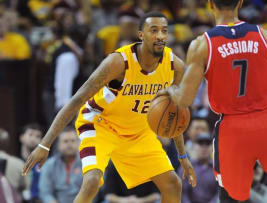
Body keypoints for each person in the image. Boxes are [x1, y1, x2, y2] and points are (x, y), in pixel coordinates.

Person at [22, 12, 196, 203]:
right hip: (100, 125)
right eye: (153, 30)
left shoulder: (175, 66)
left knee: (173, 184)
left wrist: (182, 155)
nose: (160, 36)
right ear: (141, 35)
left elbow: (174, 115)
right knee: (92, 182)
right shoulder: (119, 62)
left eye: (164, 31)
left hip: (137, 131)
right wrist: (44, 144)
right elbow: (76, 100)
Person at [159, 0, 267, 202]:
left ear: (210, 4)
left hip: (233, 128)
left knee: (232, 195)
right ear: (240, 3)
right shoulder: (265, 36)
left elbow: (185, 100)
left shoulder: (202, 45)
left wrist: (170, 89)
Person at [38, 127, 82, 203]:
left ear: (78, 143)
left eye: (73, 141)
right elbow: (45, 192)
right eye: (65, 141)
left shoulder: (86, 163)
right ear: (58, 144)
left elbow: (95, 189)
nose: (69, 144)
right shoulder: (49, 165)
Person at [179, 133, 218, 203]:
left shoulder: (218, 168)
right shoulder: (186, 167)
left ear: (212, 147)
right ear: (194, 147)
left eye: (207, 144)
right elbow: (182, 192)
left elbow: (219, 193)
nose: (204, 147)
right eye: (200, 143)